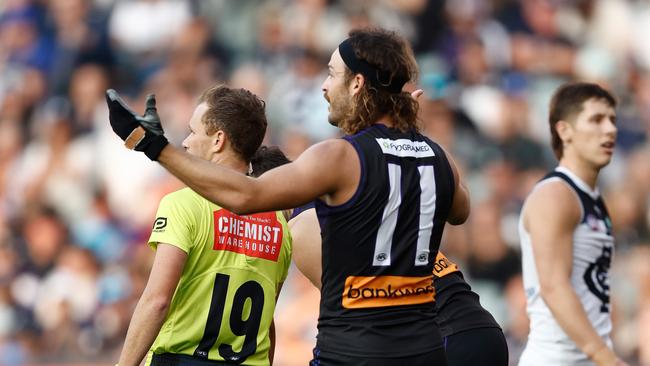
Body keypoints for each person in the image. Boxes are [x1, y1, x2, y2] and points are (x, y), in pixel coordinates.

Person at [107, 27, 470, 365]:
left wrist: (156, 147)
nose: (325, 87)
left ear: (358, 83)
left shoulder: (340, 157)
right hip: (424, 349)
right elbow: (460, 210)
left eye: (331, 74)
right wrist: (412, 132)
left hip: (353, 348)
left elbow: (247, 196)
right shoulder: (437, 158)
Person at [112, 85, 292, 366]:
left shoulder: (183, 204)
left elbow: (157, 301)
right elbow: (266, 324)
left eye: (193, 132)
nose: (184, 142)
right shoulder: (280, 222)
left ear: (218, 140)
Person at [289, 206, 508, 366]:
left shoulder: (304, 223)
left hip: (444, 339)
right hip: (484, 330)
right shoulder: (380, 215)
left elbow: (348, 329)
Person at [518, 82, 627, 366]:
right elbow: (553, 286)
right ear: (564, 130)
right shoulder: (555, 195)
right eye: (597, 119)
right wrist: (608, 359)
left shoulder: (592, 198)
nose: (610, 129)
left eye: (613, 120)